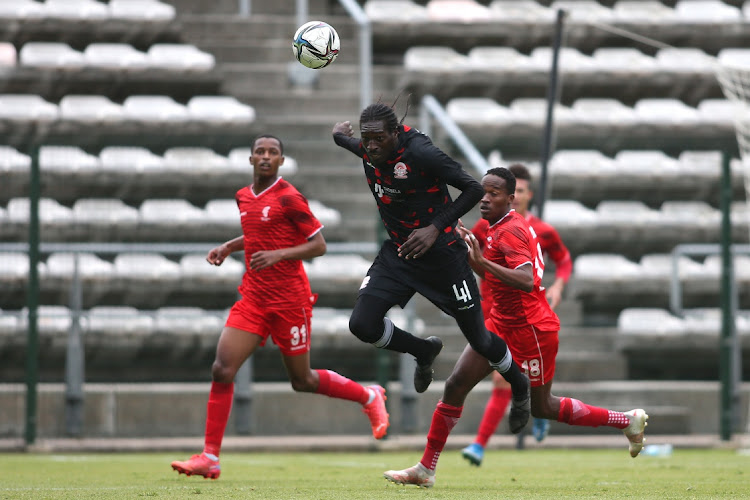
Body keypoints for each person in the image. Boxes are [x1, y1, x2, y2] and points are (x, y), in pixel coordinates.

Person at [382, 167, 648, 488]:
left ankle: (625, 421)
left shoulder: (511, 231)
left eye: (494, 194)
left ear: (511, 199)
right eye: (484, 192)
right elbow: (487, 263)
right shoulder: (493, 226)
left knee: (543, 407)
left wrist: (481, 265)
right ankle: (426, 469)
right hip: (499, 322)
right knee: (455, 385)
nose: (485, 198)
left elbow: (527, 280)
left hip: (532, 329)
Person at [171, 134, 389, 480]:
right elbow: (259, 231)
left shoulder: (289, 197)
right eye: (260, 152)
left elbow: (318, 245)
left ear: (281, 162)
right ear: (251, 159)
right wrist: (230, 246)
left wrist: (278, 255)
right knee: (222, 369)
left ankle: (368, 395)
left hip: (290, 302)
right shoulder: (243, 196)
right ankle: (210, 457)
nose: (266, 157)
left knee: (302, 380)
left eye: (273, 153)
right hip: (254, 298)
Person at [331, 99, 531, 436]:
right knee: (362, 324)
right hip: (399, 254)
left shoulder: (421, 152)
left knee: (480, 340)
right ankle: (423, 349)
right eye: (367, 139)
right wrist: (340, 136)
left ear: (396, 132)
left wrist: (435, 227)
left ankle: (520, 384)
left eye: (380, 138)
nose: (372, 146)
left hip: (443, 258)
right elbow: (356, 145)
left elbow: (472, 188)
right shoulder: (369, 147)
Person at [462, 163, 573, 464]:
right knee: (499, 379)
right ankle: (481, 444)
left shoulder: (538, 230)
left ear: (521, 195)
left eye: (522, 191)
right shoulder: (487, 225)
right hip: (494, 309)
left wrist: (559, 285)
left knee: (510, 381)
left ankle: (488, 440)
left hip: (525, 312)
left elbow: (563, 260)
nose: (519, 196)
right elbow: (470, 251)